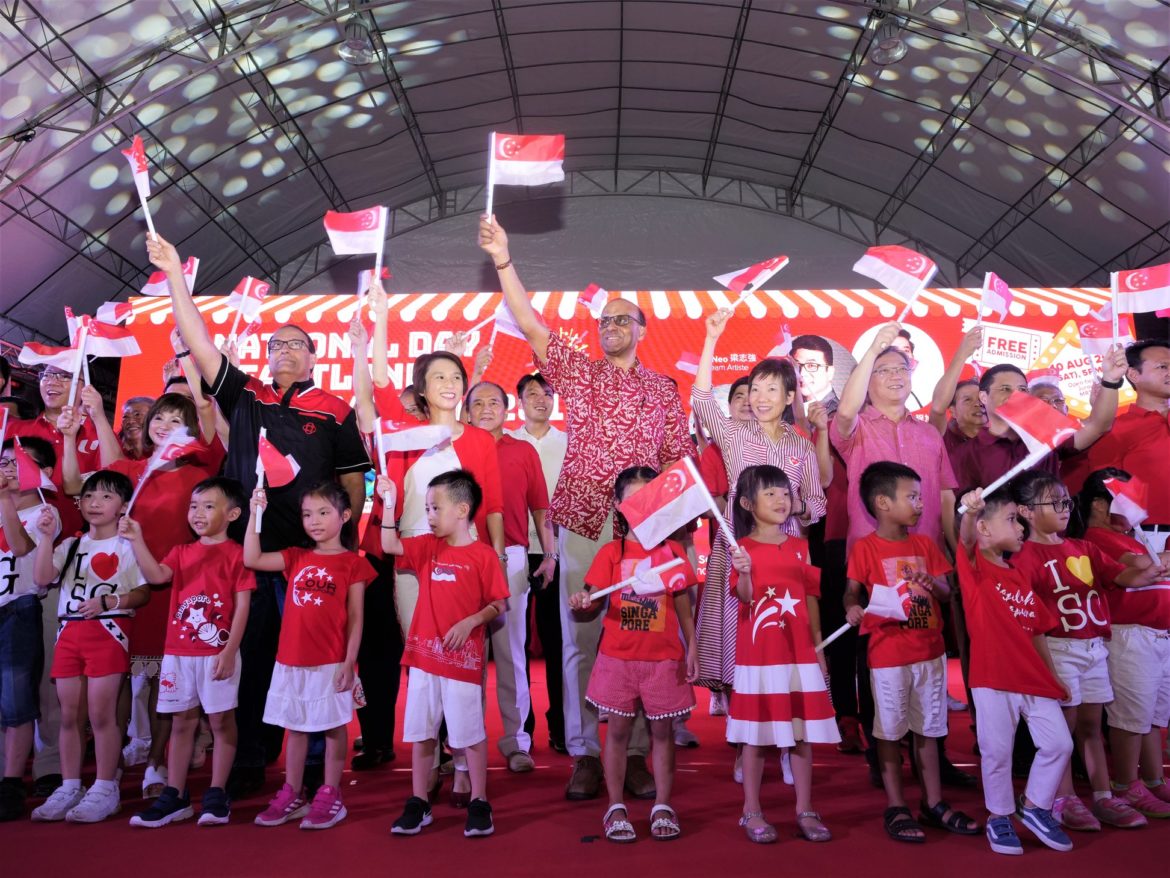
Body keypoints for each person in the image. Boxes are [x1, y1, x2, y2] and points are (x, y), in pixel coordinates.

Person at [478, 215, 692, 801]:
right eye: (604, 321)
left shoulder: (663, 390)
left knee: (644, 636)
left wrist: (680, 537)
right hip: (582, 522)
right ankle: (587, 753)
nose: (610, 327)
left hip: (644, 531)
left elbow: (677, 462)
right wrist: (503, 259)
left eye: (622, 320)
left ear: (642, 330)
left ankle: (638, 753)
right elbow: (530, 322)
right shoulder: (580, 373)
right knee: (582, 639)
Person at [149, 233, 370, 798]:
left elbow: (351, 482)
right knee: (248, 656)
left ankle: (316, 765)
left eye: (297, 344)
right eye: (276, 344)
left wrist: (346, 543)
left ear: (315, 357)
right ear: (266, 356)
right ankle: (250, 757)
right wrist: (175, 276)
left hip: (310, 560)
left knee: (315, 660)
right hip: (249, 556)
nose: (284, 350)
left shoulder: (335, 410)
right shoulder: (246, 395)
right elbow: (200, 342)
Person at [364, 279, 506, 803]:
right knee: (424, 659)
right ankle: (437, 757)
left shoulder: (480, 440)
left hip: (466, 564)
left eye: (456, 376)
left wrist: (496, 558)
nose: (450, 383)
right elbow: (380, 381)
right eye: (439, 377)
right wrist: (381, 318)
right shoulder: (405, 432)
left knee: (466, 661)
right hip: (412, 561)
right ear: (422, 389)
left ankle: (466, 763)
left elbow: (491, 506)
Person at [61, 390, 226, 797]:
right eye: (159, 419)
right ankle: (110, 769)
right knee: (115, 676)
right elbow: (74, 485)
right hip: (122, 589)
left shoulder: (200, 474)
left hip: (172, 588)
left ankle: (156, 762)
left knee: (160, 680)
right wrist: (87, 422)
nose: (164, 426)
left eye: (176, 421)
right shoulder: (130, 471)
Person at [691, 308, 827, 738]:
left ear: (789, 397)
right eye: (755, 389)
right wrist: (711, 339)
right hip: (740, 553)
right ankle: (743, 733)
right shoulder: (733, 434)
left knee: (782, 641)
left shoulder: (801, 447)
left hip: (785, 558)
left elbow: (818, 504)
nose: (761, 397)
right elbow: (701, 399)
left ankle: (787, 736)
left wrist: (796, 507)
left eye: (772, 389)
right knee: (739, 643)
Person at [1010, 470, 1155, 831]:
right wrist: (1048, 668)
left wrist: (1154, 568)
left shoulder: (1083, 548)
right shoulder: (1023, 557)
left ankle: (1103, 796)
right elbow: (1029, 621)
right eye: (1054, 502)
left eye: (1066, 501)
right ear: (1026, 511)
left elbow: (1124, 576)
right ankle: (1063, 798)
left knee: (1091, 725)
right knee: (1064, 728)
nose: (1064, 508)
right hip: (1058, 648)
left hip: (1093, 648)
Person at [843, 461, 977, 843]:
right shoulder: (865, 548)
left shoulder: (924, 545)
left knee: (928, 730)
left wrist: (932, 583)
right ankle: (896, 804)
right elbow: (851, 592)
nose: (920, 504)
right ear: (883, 503)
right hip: (888, 655)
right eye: (912, 497)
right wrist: (852, 608)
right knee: (889, 732)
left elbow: (947, 593)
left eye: (920, 497)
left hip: (930, 652)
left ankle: (933, 803)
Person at [566, 466, 698, 842]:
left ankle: (663, 805)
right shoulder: (611, 552)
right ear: (618, 505)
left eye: (648, 498)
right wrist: (583, 600)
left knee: (663, 733)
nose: (641, 505)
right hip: (617, 659)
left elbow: (683, 604)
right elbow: (592, 599)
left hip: (663, 660)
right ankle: (615, 806)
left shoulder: (673, 553)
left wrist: (692, 646)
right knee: (618, 732)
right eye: (633, 499)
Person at [381, 470, 509, 838]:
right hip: (424, 660)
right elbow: (389, 545)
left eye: (435, 508)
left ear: (462, 509)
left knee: (469, 733)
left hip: (461, 662)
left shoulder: (483, 556)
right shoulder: (427, 546)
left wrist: (470, 622)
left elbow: (498, 604)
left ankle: (480, 801)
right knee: (422, 733)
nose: (430, 516)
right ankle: (418, 801)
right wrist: (389, 504)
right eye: (426, 509)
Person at [122, 478, 254, 828]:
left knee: (221, 721)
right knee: (181, 721)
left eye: (208, 506)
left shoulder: (238, 554)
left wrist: (229, 650)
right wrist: (136, 539)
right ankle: (175, 794)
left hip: (217, 653)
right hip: (178, 655)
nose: (198, 513)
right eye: (193, 506)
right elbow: (156, 576)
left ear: (232, 514)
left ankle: (217, 792)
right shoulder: (181, 552)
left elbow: (243, 607)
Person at [244, 481, 372, 830]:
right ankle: (293, 792)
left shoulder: (352, 564)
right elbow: (251, 558)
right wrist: (255, 514)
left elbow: (356, 617)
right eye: (307, 514)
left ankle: (330, 794)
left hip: (331, 661)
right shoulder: (295, 557)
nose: (314, 520)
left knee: (333, 727)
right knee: (296, 728)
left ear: (345, 516)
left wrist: (348, 662)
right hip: (291, 660)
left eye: (323, 512)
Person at [955, 487, 1073, 856]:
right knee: (997, 752)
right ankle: (1000, 815)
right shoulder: (974, 566)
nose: (1021, 527)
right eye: (1011, 520)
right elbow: (966, 538)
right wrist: (970, 512)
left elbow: (1037, 632)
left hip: (1032, 678)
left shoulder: (1019, 574)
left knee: (1060, 743)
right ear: (985, 528)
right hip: (992, 678)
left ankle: (1035, 805)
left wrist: (1053, 677)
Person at [30, 470, 151, 823]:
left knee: (101, 715)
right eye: (88, 496)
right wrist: (46, 537)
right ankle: (70, 785)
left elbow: (144, 591)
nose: (95, 503)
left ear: (124, 506)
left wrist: (111, 601)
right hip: (69, 633)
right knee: (70, 715)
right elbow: (41, 578)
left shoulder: (128, 545)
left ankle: (105, 787)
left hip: (108, 632)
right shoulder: (71, 545)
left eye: (106, 496)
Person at [725, 465, 837, 844]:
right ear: (747, 504)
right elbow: (744, 597)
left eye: (785, 493)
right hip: (759, 658)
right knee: (755, 737)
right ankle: (751, 810)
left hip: (798, 653)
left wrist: (818, 647)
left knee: (801, 734)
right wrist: (743, 572)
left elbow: (811, 597)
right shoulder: (742, 549)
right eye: (770, 493)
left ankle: (805, 808)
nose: (781, 500)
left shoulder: (801, 546)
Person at [467, 380, 555, 771]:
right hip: (463, 560)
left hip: (513, 559)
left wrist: (549, 555)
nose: (486, 409)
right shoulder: (455, 450)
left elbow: (541, 508)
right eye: (478, 403)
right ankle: (463, 746)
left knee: (511, 654)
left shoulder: (523, 451)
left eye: (494, 402)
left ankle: (516, 742)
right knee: (465, 657)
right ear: (467, 411)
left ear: (507, 410)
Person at [1076, 468, 1170, 817]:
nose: (1137, 505)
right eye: (1127, 497)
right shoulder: (1098, 538)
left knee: (1151, 717)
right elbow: (1143, 565)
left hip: (1155, 635)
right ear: (1099, 505)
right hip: (1130, 637)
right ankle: (1126, 784)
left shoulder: (1131, 536)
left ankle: (1153, 779)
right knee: (1131, 718)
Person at [832, 323, 957, 552]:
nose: (896, 375)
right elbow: (846, 411)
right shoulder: (857, 428)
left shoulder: (929, 433)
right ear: (865, 381)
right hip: (872, 557)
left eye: (902, 368)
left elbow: (945, 496)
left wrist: (956, 551)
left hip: (928, 555)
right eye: (884, 370)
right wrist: (873, 350)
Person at [951, 350, 1125, 494]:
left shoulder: (1046, 435)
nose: (1016, 395)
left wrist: (1111, 380)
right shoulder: (965, 454)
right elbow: (960, 513)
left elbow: (1099, 426)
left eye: (1022, 389)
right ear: (983, 396)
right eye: (1005, 389)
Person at [508, 372, 568, 753]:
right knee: (516, 644)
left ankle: (561, 726)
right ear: (520, 402)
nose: (541, 400)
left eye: (547, 393)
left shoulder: (570, 443)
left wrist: (555, 551)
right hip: (514, 549)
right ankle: (521, 729)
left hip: (556, 551)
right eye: (533, 394)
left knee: (558, 641)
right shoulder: (507, 442)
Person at [0, 438, 59, 821]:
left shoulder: (45, 512)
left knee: (16, 701)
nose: (7, 469)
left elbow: (20, 547)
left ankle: (11, 783)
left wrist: (5, 500)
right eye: (3, 462)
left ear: (44, 473)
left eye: (17, 463)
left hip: (19, 610)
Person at [1086, 341, 1170, 552]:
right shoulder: (1116, 429)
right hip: (1148, 540)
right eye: (1163, 366)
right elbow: (1102, 487)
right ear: (1133, 375)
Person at [9, 365, 102, 536]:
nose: (52, 381)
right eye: (47, 375)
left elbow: (116, 481)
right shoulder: (14, 430)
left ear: (87, 387)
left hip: (76, 541)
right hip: (13, 538)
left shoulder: (100, 435)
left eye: (65, 376)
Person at [790, 335, 839, 416]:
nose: (802, 373)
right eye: (796, 365)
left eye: (811, 365)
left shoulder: (838, 415)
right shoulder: (786, 409)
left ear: (830, 372)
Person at [117, 396, 154, 461]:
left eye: (137, 415)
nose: (130, 421)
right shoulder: (117, 454)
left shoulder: (164, 455)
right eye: (125, 417)